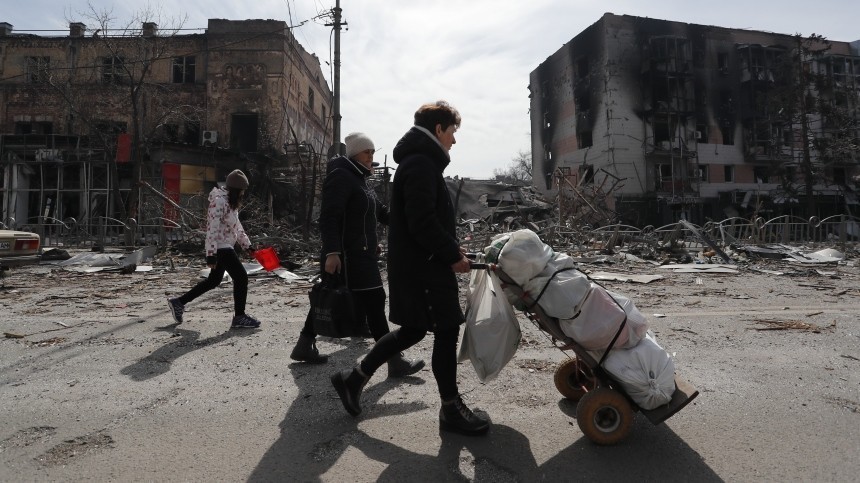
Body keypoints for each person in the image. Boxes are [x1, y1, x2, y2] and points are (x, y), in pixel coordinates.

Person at [330, 101, 490, 436]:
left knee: (415, 330)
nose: (454, 141)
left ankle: (353, 378)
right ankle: (450, 410)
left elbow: (420, 220)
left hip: (419, 265)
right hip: (425, 268)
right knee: (446, 329)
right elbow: (421, 222)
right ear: (437, 130)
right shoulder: (420, 164)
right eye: (452, 133)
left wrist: (451, 248)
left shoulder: (421, 163)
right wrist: (450, 255)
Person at [290, 132, 425, 378]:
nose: (371, 158)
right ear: (354, 153)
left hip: (360, 253)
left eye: (373, 153)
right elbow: (330, 217)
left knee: (329, 296)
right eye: (367, 152)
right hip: (348, 256)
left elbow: (378, 213)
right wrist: (332, 252)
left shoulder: (360, 180)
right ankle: (394, 360)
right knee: (374, 302)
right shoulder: (342, 176)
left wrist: (409, 219)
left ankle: (303, 346)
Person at [167, 169, 261, 329]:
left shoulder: (231, 205)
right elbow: (212, 228)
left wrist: (249, 247)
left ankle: (179, 302)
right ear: (236, 190)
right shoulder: (219, 201)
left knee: (213, 280)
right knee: (241, 277)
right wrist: (211, 254)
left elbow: (237, 228)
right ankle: (239, 317)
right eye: (242, 191)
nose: (243, 194)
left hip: (226, 246)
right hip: (220, 247)